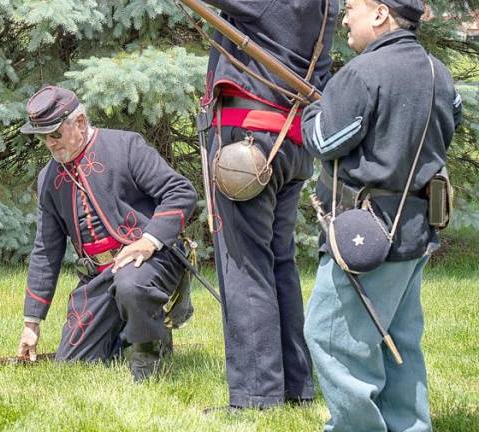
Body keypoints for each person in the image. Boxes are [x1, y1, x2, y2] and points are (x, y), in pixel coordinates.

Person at [301, 0, 462, 430]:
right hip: (416, 229)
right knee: (400, 341)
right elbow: (453, 120)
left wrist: (312, 110)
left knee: (332, 340)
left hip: (367, 236)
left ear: (379, 14)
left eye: (351, 7)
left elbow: (324, 138)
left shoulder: (362, 73)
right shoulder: (437, 72)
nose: (344, 17)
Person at [200, 0, 339, 409]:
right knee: (279, 263)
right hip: (288, 144)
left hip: (252, 143)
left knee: (245, 267)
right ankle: (294, 386)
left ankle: (256, 398)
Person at [15, 85, 197, 381]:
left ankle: (151, 359)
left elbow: (181, 192)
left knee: (131, 284)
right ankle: (125, 335)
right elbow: (45, 251)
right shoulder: (48, 178)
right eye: (43, 137)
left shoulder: (125, 146)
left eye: (55, 133)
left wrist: (148, 241)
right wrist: (31, 322)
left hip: (150, 261)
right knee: (72, 365)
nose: (50, 143)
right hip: (98, 275)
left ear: (80, 122)